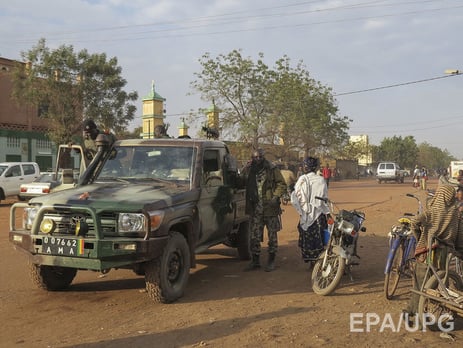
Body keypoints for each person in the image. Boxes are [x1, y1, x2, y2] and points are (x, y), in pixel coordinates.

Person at [404, 184, 461, 318]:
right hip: (443, 254)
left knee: (420, 283)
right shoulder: (455, 213)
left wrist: (420, 238)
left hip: (426, 252)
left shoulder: (431, 211)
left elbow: (414, 222)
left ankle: (414, 311)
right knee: (438, 285)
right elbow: (459, 236)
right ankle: (427, 311)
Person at [242, 148, 287, 272]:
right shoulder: (250, 170)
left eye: (259, 157)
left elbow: (281, 184)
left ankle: (271, 260)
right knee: (254, 236)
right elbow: (240, 181)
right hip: (255, 208)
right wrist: (244, 169)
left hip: (270, 208)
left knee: (272, 235)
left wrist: (276, 196)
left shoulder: (272, 169)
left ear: (263, 157)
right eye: (255, 158)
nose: (257, 160)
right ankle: (255, 261)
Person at [291, 157, 330, 266]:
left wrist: (303, 210)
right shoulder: (321, 180)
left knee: (306, 237)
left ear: (306, 167)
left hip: (305, 215)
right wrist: (328, 214)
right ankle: (319, 261)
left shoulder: (302, 179)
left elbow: (295, 198)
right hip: (318, 215)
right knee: (320, 238)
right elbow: (323, 199)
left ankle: (312, 262)